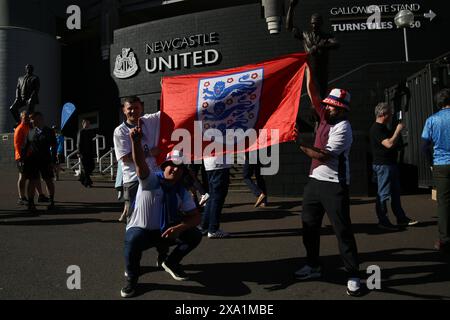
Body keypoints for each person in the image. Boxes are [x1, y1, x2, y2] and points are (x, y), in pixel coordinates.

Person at [295, 67, 361, 297]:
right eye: (328, 104)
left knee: (342, 231)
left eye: (333, 105)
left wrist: (298, 143)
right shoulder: (324, 116)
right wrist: (307, 66)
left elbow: (322, 155)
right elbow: (312, 90)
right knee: (308, 228)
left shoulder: (344, 128)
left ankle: (353, 274)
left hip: (334, 185)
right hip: (314, 183)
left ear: (342, 109)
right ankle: (312, 266)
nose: (328, 107)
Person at [121, 124, 202, 298]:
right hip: (142, 232)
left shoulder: (181, 191)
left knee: (194, 234)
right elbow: (140, 164)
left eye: (179, 167)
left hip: (164, 232)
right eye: (171, 165)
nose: (174, 169)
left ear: (182, 172)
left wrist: (179, 228)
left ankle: (170, 262)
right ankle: (132, 279)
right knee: (133, 240)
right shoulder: (150, 181)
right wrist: (135, 142)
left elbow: (196, 218)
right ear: (163, 166)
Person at [369, 102, 418, 230]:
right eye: (389, 113)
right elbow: (389, 144)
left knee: (395, 193)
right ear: (383, 114)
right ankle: (383, 221)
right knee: (383, 194)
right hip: (383, 165)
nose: (391, 116)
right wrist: (397, 130)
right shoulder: (376, 129)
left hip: (389, 164)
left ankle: (401, 218)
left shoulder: (384, 128)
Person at [113, 96, 161, 224]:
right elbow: (125, 158)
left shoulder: (149, 120)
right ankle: (132, 242)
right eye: (130, 108)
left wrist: (166, 88)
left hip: (154, 175)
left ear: (142, 108)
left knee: (154, 213)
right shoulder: (120, 131)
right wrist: (150, 153)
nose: (133, 111)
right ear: (124, 110)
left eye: (136, 108)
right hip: (134, 179)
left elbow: (167, 108)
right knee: (134, 217)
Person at [286, 1, 339, 98]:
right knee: (312, 97)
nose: (314, 26)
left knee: (322, 96)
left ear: (321, 24)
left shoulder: (326, 37)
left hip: (322, 71)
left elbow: (336, 44)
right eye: (313, 23)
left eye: (317, 23)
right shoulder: (306, 35)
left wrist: (318, 46)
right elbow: (289, 27)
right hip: (310, 71)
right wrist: (291, 7)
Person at [422, 88, 450, 254]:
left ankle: (445, 238)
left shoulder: (432, 120)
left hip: (441, 164)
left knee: (444, 203)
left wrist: (430, 162)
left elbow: (424, 146)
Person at [22, 112, 57, 212]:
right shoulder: (31, 131)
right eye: (31, 119)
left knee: (48, 180)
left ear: (40, 119)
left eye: (34, 119)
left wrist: (54, 161)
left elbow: (54, 147)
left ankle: (51, 201)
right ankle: (31, 203)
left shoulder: (49, 131)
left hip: (46, 160)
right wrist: (22, 159)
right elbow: (25, 146)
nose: (32, 121)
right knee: (32, 181)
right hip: (33, 160)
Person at [200, 154, 232, 238]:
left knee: (213, 197)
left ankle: (205, 226)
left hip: (210, 164)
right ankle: (213, 229)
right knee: (218, 198)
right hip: (219, 164)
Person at [77, 119, 95, 187]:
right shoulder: (81, 132)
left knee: (92, 166)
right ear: (83, 124)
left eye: (89, 123)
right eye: (86, 123)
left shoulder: (90, 131)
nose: (88, 125)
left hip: (90, 153)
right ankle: (88, 182)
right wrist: (79, 152)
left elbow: (92, 142)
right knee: (86, 168)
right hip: (83, 153)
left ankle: (82, 178)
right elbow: (78, 143)